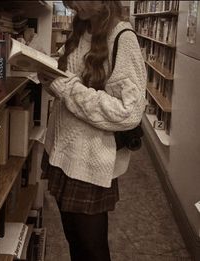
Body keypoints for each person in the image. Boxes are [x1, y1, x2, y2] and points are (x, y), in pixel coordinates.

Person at [38, 1, 146, 261]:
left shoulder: (122, 38)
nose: (72, 5)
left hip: (90, 162)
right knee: (75, 242)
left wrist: (65, 88)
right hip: (65, 153)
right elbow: (65, 75)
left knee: (92, 250)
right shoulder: (82, 29)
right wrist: (45, 68)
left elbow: (129, 112)